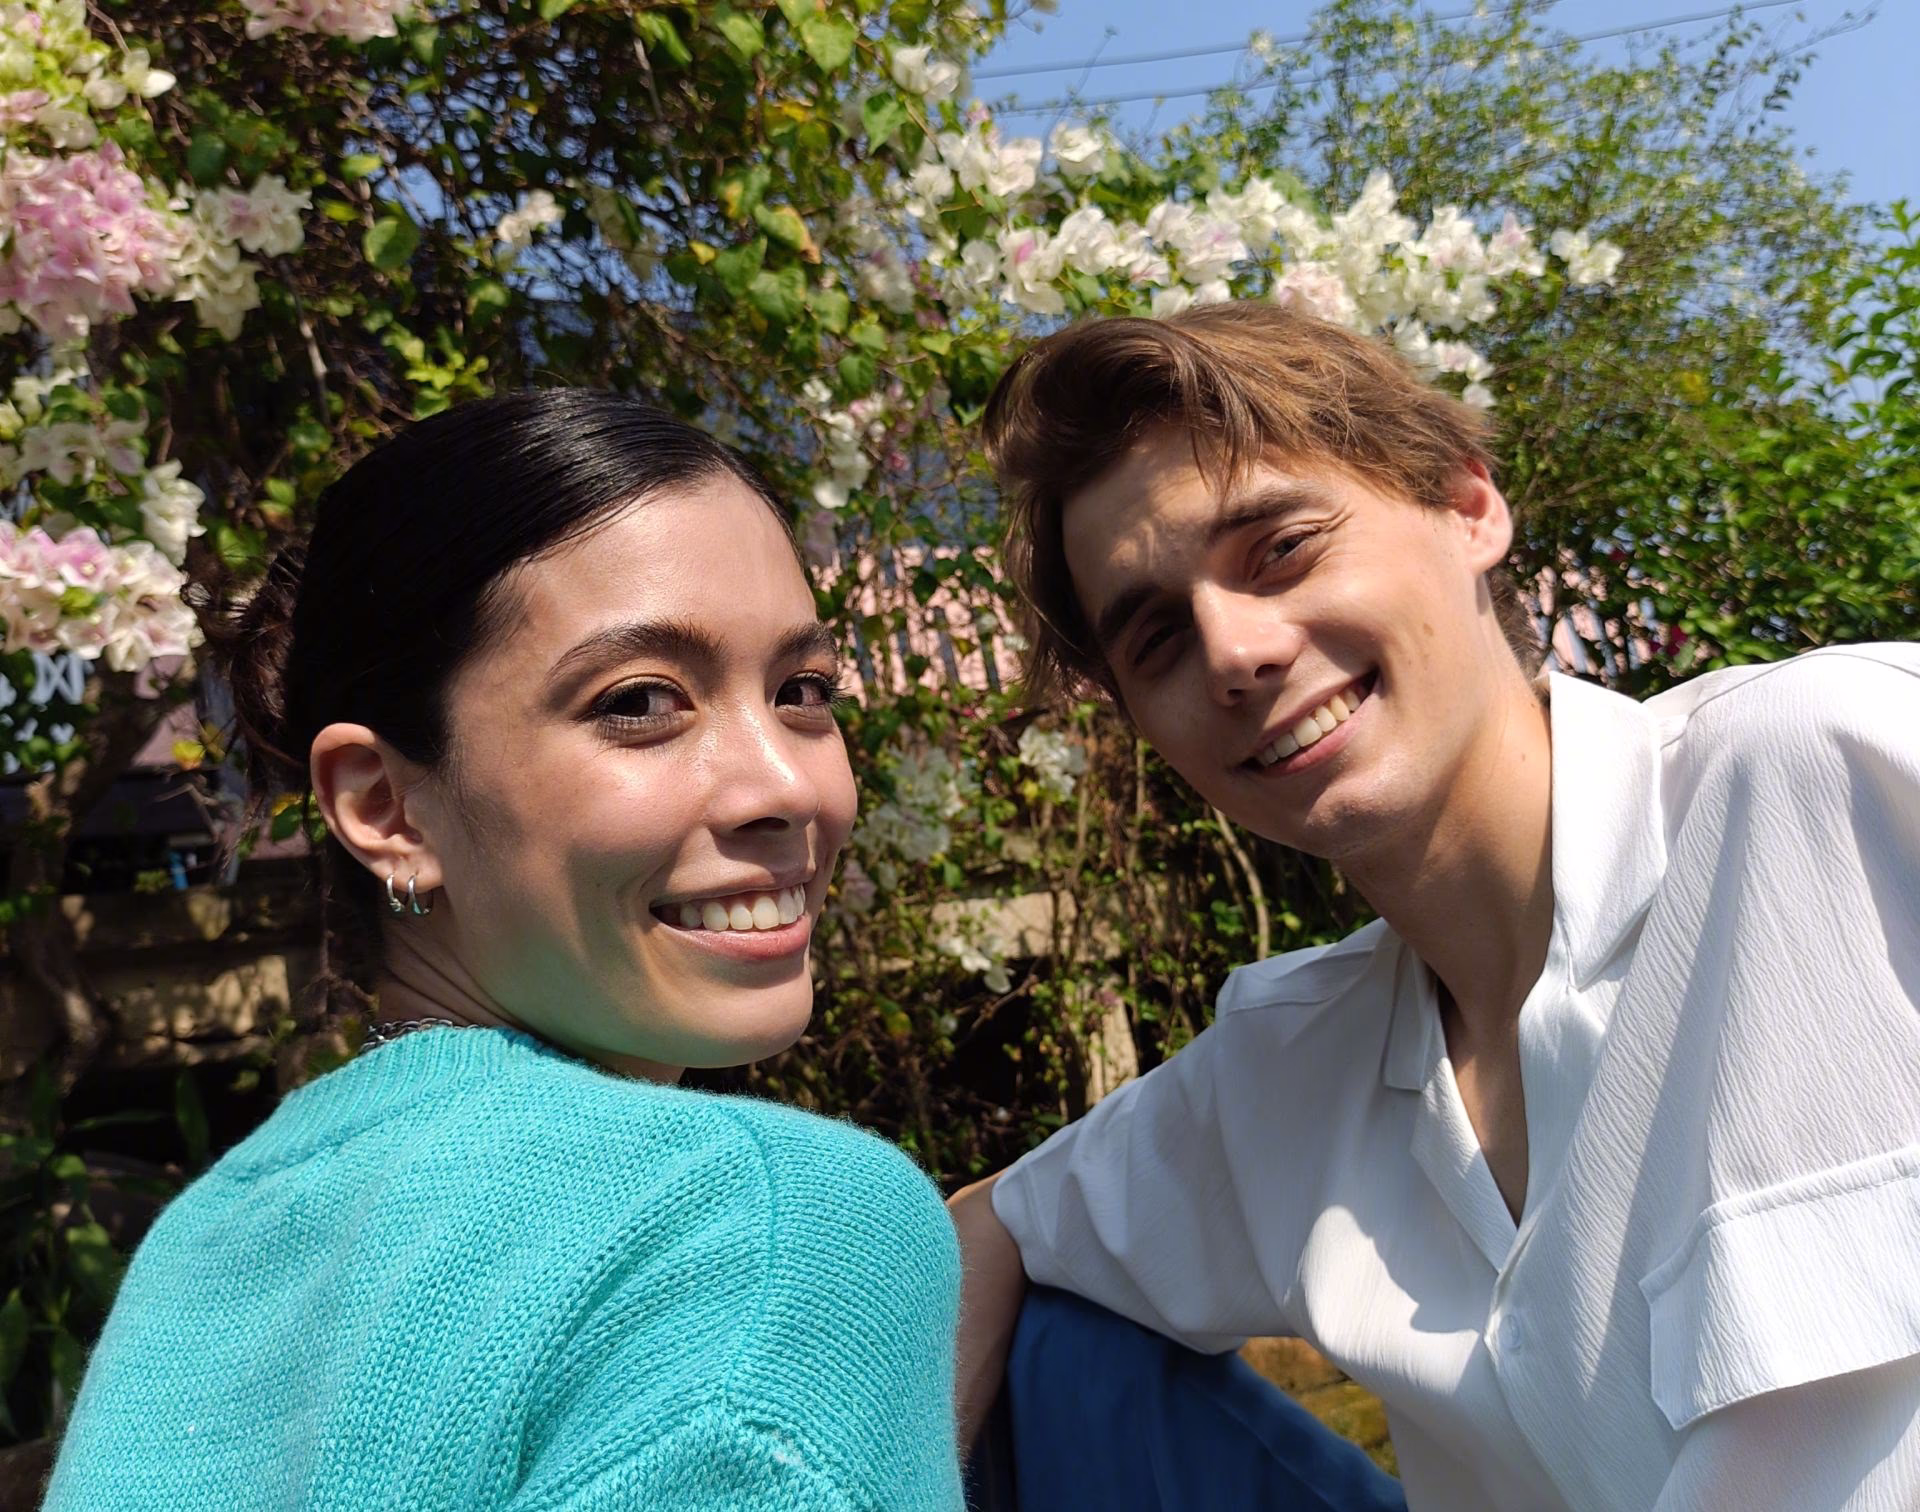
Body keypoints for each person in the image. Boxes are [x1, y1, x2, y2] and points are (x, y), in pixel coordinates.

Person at [949, 303, 1920, 1511]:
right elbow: (993, 1228)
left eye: (1280, 548)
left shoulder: (1828, 769)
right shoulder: (1287, 1071)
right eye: (1156, 638)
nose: (1233, 651)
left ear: (1468, 507)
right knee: (1063, 1357)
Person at [46, 391, 964, 1510]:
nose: (786, 786)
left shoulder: (210, 1240)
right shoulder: (763, 1228)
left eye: (802, 692)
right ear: (385, 806)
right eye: (641, 702)